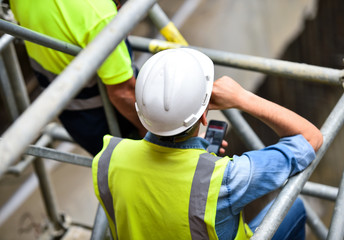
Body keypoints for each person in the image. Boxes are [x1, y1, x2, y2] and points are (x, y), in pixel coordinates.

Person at [92, 48, 323, 239]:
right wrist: (242, 98)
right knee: (295, 207)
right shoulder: (225, 179)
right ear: (204, 117)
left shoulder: (109, 157)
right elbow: (311, 138)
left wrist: (194, 153)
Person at [9, 0, 146, 156]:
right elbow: (123, 92)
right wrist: (154, 133)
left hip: (73, 116)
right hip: (112, 119)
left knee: (114, 169)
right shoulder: (98, 15)